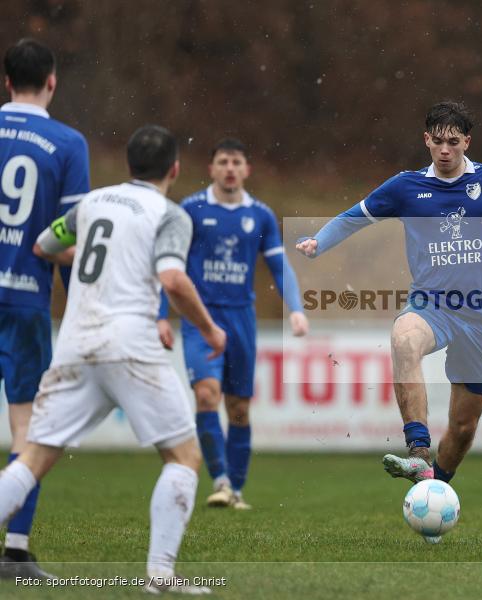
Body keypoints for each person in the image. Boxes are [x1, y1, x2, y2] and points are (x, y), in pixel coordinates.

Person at [296, 100, 482, 539]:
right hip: (434, 306)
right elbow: (355, 217)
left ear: (467, 142)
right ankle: (417, 448)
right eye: (437, 141)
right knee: (404, 338)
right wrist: (320, 241)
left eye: (454, 142)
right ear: (426, 140)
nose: (445, 150)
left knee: (464, 428)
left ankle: (433, 493)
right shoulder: (406, 188)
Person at [0, 124, 225, 594]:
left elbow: (44, 246)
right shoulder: (170, 213)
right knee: (183, 456)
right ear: (175, 169)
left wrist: (96, 260)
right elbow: (172, 279)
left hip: (76, 342)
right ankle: (161, 575)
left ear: (128, 165)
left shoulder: (93, 202)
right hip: (130, 345)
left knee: (33, 458)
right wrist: (209, 329)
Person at [156, 138, 308, 510]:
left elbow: (279, 266)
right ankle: (220, 480)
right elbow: (169, 266)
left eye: (236, 162)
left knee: (239, 408)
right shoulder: (189, 210)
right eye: (222, 161)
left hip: (241, 318)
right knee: (207, 395)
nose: (229, 168)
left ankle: (236, 488)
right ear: (211, 168)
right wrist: (161, 315)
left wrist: (296, 308)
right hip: (201, 317)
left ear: (246, 169)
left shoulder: (260, 215)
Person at [0, 38, 90, 578]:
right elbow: (64, 242)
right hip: (25, 298)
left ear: (7, 80)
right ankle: (14, 549)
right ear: (51, 82)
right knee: (28, 430)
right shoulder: (66, 143)